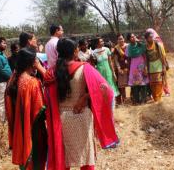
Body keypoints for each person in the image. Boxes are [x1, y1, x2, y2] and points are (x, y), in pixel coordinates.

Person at [44, 38, 119, 170]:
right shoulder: (85, 68)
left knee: (65, 156)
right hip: (82, 116)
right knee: (86, 158)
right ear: (74, 52)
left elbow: (48, 99)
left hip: (61, 119)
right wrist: (85, 96)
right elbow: (105, 89)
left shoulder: (52, 73)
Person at [5, 47, 47, 170]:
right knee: (35, 161)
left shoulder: (12, 79)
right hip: (34, 130)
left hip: (19, 128)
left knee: (24, 161)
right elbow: (40, 109)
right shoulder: (32, 82)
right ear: (32, 62)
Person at [126, 33, 149, 104]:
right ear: (129, 39)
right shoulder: (128, 47)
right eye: (132, 37)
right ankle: (136, 100)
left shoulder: (140, 45)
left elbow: (144, 55)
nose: (134, 38)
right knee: (135, 84)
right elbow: (128, 58)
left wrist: (145, 67)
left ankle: (143, 100)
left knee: (143, 83)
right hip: (133, 67)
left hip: (141, 65)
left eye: (134, 36)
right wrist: (128, 69)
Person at [144, 31, 167, 102]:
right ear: (147, 39)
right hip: (151, 66)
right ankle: (155, 98)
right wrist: (146, 68)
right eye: (150, 37)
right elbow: (146, 58)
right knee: (152, 83)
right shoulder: (145, 47)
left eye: (152, 37)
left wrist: (164, 67)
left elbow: (162, 56)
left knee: (159, 82)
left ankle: (158, 98)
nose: (152, 38)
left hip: (158, 65)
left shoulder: (158, 45)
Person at [113, 34, 129, 104]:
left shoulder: (128, 46)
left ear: (124, 39)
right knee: (121, 85)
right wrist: (119, 68)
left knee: (130, 83)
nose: (121, 40)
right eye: (119, 39)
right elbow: (116, 60)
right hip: (121, 69)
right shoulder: (116, 48)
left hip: (128, 67)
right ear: (117, 40)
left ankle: (130, 98)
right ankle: (123, 100)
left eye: (122, 38)